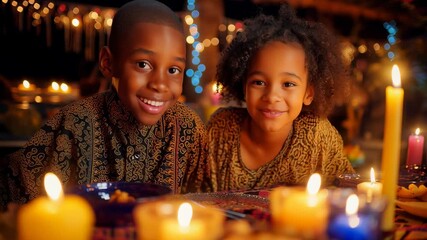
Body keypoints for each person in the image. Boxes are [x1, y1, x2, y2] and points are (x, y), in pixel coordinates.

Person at [1, 0, 210, 210]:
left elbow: (205, 204)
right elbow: (17, 195)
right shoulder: (73, 124)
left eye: (173, 70)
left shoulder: (188, 128)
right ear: (107, 63)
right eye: (143, 64)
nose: (160, 85)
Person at [207, 4, 355, 192]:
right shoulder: (221, 128)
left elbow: (347, 192)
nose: (271, 97)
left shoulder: (317, 138)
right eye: (259, 82)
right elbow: (195, 196)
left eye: (288, 84)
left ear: (308, 93)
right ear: (243, 85)